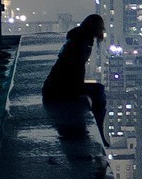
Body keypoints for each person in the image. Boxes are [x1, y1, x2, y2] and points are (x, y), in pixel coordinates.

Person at [43, 14, 109, 145]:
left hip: (54, 86)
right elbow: (77, 68)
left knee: (97, 90)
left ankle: (100, 129)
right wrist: (78, 88)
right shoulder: (81, 43)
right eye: (100, 29)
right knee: (99, 90)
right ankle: (100, 130)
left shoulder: (77, 38)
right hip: (61, 88)